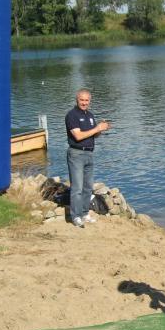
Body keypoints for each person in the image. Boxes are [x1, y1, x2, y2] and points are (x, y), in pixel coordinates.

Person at [65, 88, 110, 228]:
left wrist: (101, 129)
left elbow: (93, 134)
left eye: (86, 100)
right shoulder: (72, 115)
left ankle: (84, 213)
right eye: (82, 100)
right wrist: (97, 128)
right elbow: (78, 136)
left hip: (89, 154)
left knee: (88, 187)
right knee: (77, 188)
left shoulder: (90, 115)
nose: (84, 103)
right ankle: (76, 216)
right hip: (76, 154)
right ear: (77, 100)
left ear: (90, 101)